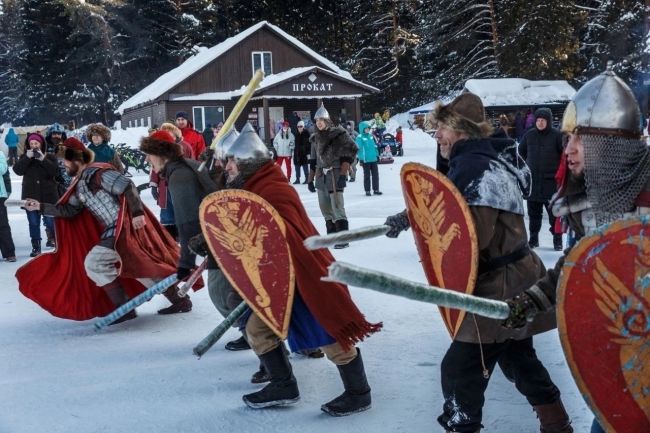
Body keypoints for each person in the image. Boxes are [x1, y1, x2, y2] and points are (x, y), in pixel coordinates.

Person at [384, 93, 571, 433]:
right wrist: (408, 217)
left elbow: (471, 239)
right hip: (518, 277)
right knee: (519, 359)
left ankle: (464, 426)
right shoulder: (488, 159)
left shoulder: (476, 168)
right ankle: (556, 424)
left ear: (460, 130)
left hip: (498, 285)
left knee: (460, 371)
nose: (437, 136)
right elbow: (449, 205)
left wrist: (431, 236)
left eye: (441, 129)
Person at [504, 67, 650, 433]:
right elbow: (578, 266)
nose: (566, 149)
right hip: (626, 360)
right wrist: (531, 300)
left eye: (578, 140)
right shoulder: (589, 201)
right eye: (567, 138)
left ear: (609, 140)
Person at [223, 123, 381, 415]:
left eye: (232, 160)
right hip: (276, 277)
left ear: (247, 162)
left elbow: (277, 234)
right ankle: (284, 385)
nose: (227, 166)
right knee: (257, 328)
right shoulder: (254, 186)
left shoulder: (271, 188)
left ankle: (359, 393)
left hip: (304, 273)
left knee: (329, 334)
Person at [18, 137, 191, 323]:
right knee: (139, 268)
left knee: (103, 264)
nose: (63, 166)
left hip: (123, 229)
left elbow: (127, 186)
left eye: (65, 161)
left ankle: (126, 308)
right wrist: (39, 207)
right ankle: (174, 301)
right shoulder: (80, 184)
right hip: (114, 231)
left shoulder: (98, 172)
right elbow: (69, 211)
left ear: (77, 159)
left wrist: (137, 213)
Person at [307, 103, 357, 249]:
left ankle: (343, 238)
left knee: (337, 208)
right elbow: (313, 160)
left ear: (327, 121)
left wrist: (343, 175)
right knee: (325, 208)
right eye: (317, 121)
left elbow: (348, 154)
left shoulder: (338, 135)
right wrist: (310, 180)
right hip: (321, 176)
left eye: (321, 120)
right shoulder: (315, 138)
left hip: (335, 175)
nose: (319, 123)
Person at [519, 107, 565, 250]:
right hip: (533, 181)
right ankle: (533, 240)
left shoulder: (557, 136)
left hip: (550, 182)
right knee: (534, 214)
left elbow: (564, 155)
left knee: (553, 214)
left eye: (542, 120)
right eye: (537, 120)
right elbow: (521, 152)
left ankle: (557, 241)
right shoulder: (529, 135)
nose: (539, 123)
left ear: (548, 121)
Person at [13, 133, 59, 255]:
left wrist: (43, 159)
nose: (34, 146)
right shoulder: (24, 157)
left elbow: (55, 172)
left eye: (36, 143)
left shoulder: (49, 157)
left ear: (41, 144)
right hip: (30, 195)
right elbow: (17, 171)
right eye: (32, 144)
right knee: (33, 222)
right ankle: (36, 246)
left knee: (50, 221)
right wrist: (26, 158)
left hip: (48, 196)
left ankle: (56, 241)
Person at [150, 123, 195, 239]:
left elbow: (192, 165)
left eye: (169, 134)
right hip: (164, 187)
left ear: (175, 135)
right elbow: (155, 168)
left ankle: (184, 235)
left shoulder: (185, 147)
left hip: (181, 186)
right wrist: (154, 185)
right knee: (167, 212)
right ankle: (169, 236)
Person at [355, 121, 381, 196]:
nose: (368, 130)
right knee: (367, 176)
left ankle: (376, 189)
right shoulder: (359, 137)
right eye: (366, 128)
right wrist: (361, 159)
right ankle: (367, 190)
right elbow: (359, 149)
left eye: (368, 128)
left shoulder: (370, 136)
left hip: (373, 159)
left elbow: (374, 147)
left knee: (375, 175)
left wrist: (377, 155)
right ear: (362, 129)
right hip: (366, 160)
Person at [0, 151, 16, 262]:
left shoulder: (0, 154)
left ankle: (9, 253)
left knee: (2, 224)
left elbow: (2, 169)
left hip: (0, 195)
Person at [292, 120, 310, 184]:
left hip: (304, 153)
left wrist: (308, 153)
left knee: (305, 166)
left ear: (303, 127)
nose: (299, 127)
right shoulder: (296, 134)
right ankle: (297, 179)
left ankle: (307, 179)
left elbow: (309, 144)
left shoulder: (306, 133)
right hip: (297, 153)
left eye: (301, 126)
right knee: (297, 166)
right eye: (298, 126)